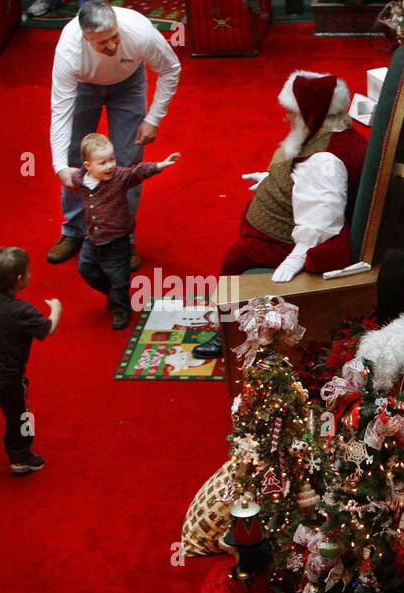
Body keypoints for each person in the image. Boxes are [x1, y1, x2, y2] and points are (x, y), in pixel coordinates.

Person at [193, 71, 366, 360]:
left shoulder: (325, 159)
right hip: (278, 230)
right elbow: (312, 184)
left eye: (291, 113)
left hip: (280, 243)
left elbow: (321, 218)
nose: (286, 119)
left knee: (234, 263)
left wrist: (298, 255)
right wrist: (275, 180)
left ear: (312, 112)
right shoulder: (331, 135)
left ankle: (229, 334)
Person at [48, 2, 181, 272]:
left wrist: (153, 118)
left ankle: (124, 240)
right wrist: (60, 166)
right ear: (86, 38)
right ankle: (73, 231)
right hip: (84, 86)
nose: (111, 47)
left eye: (114, 38)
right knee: (76, 157)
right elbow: (60, 111)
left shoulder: (141, 32)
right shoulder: (68, 51)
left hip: (129, 84)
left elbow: (171, 69)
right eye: (101, 43)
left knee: (127, 162)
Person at [69, 133, 180, 329]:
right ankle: (111, 292)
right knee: (85, 268)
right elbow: (70, 176)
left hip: (117, 241)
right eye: (102, 162)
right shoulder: (81, 178)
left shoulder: (119, 177)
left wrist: (159, 165)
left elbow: (136, 172)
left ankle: (121, 309)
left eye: (112, 159)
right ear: (88, 167)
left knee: (119, 279)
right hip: (92, 238)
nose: (110, 166)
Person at [0, 248, 62, 476]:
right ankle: (21, 457)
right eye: (28, 272)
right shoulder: (21, 310)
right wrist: (56, 309)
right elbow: (48, 328)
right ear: (19, 280)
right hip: (9, 379)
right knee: (21, 416)